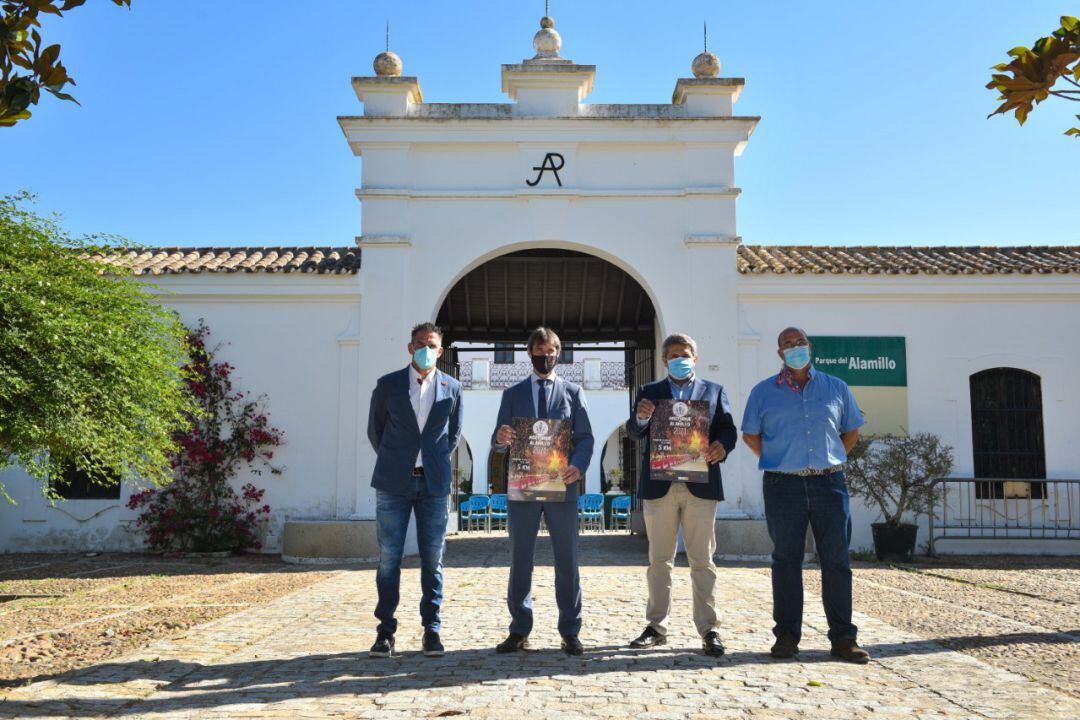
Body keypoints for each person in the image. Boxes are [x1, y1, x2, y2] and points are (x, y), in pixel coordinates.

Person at [740, 327, 870, 663]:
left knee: (837, 561)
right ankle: (786, 636)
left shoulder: (835, 387)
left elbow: (851, 429)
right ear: (779, 353)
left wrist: (833, 457)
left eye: (800, 343)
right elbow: (751, 435)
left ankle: (843, 638)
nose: (795, 348)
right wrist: (780, 460)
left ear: (809, 347)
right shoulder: (763, 392)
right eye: (788, 344)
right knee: (786, 561)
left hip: (829, 483)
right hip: (783, 485)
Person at [625, 333, 737, 657]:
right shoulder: (650, 393)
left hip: (700, 485)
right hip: (659, 486)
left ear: (695, 358)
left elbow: (728, 429)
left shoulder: (714, 392)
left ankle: (710, 628)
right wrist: (642, 417)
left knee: (703, 560)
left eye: (685, 353)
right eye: (673, 354)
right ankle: (656, 626)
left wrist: (722, 446)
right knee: (659, 560)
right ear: (664, 361)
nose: (679, 358)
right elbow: (634, 431)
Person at [491, 327, 594, 656]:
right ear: (529, 353)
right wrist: (501, 437)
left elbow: (586, 438)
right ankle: (519, 629)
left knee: (568, 560)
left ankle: (570, 630)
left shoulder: (574, 392)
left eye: (551, 352)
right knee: (521, 559)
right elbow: (498, 440)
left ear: (558, 353)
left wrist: (579, 465)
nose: (545, 357)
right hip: (523, 488)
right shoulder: (513, 393)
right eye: (539, 351)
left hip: (562, 487)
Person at [366, 322, 463, 658]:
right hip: (394, 483)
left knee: (433, 559)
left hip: (434, 484)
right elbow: (375, 431)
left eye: (431, 344)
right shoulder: (388, 385)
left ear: (440, 349)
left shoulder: (453, 388)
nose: (426, 348)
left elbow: (452, 437)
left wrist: (431, 461)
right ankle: (385, 631)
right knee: (389, 558)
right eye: (420, 343)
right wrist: (399, 459)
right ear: (410, 348)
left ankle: (431, 628)